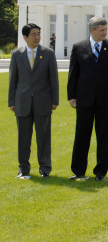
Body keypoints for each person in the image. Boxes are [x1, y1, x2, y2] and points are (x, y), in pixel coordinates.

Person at [67, 16, 108, 181]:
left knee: (104, 137)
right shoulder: (78, 47)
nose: (105, 33)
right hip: (84, 99)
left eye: (106, 29)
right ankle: (78, 171)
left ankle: (101, 172)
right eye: (102, 30)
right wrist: (71, 96)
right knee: (82, 136)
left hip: (106, 100)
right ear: (92, 30)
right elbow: (73, 73)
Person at [9, 23, 59, 178]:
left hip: (43, 101)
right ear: (25, 37)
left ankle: (45, 169)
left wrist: (54, 100)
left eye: (38, 34)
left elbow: (54, 80)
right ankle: (23, 169)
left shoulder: (48, 53)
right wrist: (12, 102)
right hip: (22, 102)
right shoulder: (17, 54)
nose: (37, 37)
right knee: (23, 138)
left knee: (43, 138)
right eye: (33, 34)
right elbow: (13, 79)